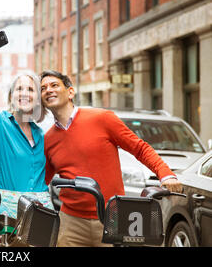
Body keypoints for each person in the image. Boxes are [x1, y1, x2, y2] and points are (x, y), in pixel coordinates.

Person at [40, 70, 183, 247]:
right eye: (43, 88)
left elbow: (139, 148)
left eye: (54, 85)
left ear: (70, 92)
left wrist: (166, 174)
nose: (48, 90)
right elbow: (40, 181)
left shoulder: (102, 119)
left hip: (111, 217)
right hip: (70, 223)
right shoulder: (48, 139)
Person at [0, 39, 53, 247]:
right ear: (11, 96)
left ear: (37, 99)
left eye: (31, 90)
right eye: (19, 89)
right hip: (4, 216)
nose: (24, 93)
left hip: (40, 215)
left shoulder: (42, 135)